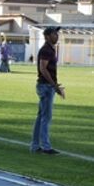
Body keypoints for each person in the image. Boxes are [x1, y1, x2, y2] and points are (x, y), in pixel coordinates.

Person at [31, 26, 65, 154]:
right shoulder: (46, 50)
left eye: (57, 34)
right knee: (46, 117)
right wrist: (54, 85)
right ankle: (46, 147)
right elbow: (43, 68)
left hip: (45, 85)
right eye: (54, 34)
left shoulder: (50, 49)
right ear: (47, 36)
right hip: (45, 86)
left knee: (41, 117)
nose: (56, 36)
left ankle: (35, 146)